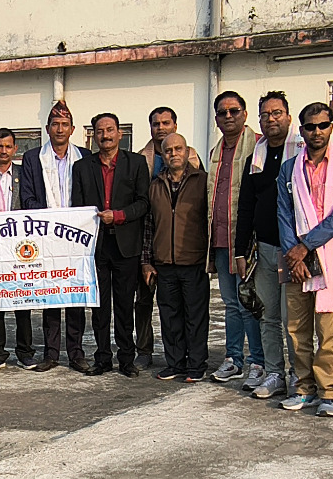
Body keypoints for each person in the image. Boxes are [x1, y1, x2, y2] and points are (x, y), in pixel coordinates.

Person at [277, 102, 333, 416]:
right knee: (296, 327)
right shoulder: (289, 168)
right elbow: (283, 214)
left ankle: (329, 392)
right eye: (310, 127)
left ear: (331, 127)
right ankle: (303, 388)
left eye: (322, 125)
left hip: (328, 257)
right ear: (302, 130)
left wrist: (305, 246)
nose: (316, 132)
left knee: (327, 329)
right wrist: (294, 255)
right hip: (296, 261)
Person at [70, 112, 150, 376]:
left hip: (126, 244)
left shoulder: (136, 163)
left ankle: (127, 360)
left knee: (125, 305)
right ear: (93, 136)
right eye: (100, 131)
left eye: (110, 130)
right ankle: (103, 358)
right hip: (96, 246)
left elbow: (143, 203)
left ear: (119, 133)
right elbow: (77, 207)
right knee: (100, 307)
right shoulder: (82, 167)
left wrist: (118, 216)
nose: (105, 135)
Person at [236, 91, 298, 398]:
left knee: (295, 319)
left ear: (288, 116)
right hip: (265, 249)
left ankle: (300, 374)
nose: (271, 119)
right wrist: (239, 251)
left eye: (277, 113)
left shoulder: (302, 153)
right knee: (269, 316)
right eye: (265, 114)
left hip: (297, 251)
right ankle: (275, 373)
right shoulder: (255, 159)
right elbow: (245, 207)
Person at [18, 99, 87, 371]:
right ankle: (51, 353)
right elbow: (28, 198)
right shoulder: (33, 158)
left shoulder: (84, 157)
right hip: (45, 236)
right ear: (47, 129)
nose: (60, 129)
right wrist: (52, 219)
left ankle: (76, 352)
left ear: (72, 129)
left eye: (64, 125)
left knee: (74, 294)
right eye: (55, 124)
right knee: (50, 294)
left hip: (76, 238)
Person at [206, 91, 266, 387]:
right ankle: (233, 358)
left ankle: (258, 361)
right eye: (222, 112)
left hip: (247, 243)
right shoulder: (216, 152)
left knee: (249, 303)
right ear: (216, 119)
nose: (228, 116)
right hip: (219, 239)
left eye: (234, 111)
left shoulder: (258, 147)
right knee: (230, 304)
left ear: (244, 114)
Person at [142, 130, 210, 381]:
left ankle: (196, 364)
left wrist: (208, 256)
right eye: (168, 150)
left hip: (193, 260)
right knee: (170, 317)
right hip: (164, 262)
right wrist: (146, 261)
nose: (173, 154)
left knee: (195, 316)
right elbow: (149, 225)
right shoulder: (155, 184)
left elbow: (209, 220)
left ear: (187, 151)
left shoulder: (202, 181)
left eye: (178, 149)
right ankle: (175, 363)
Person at [0, 127, 36, 367]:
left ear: (15, 149)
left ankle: (25, 351)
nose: (4, 150)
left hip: (20, 246)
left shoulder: (24, 174)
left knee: (23, 300)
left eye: (8, 146)